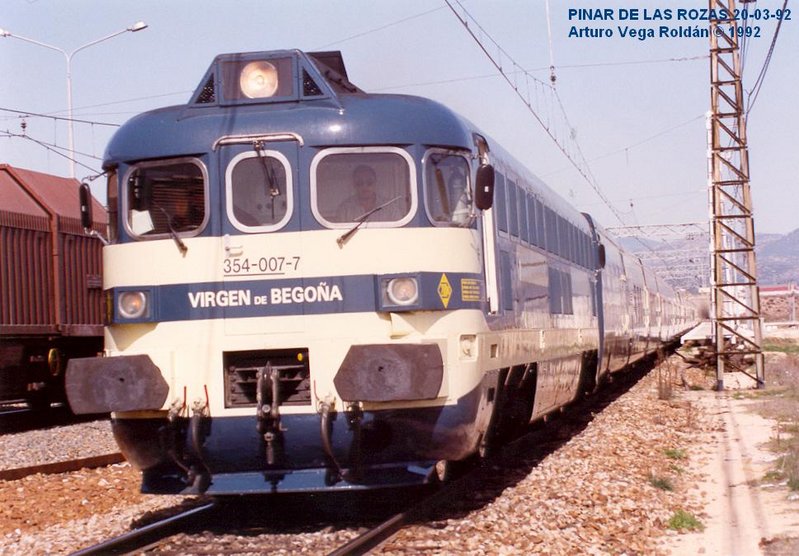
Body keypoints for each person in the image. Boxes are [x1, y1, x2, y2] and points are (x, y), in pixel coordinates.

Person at [335, 165, 403, 222]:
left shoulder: (391, 208)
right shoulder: (344, 209)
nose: (365, 186)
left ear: (375, 183)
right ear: (354, 185)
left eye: (369, 182)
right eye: (359, 183)